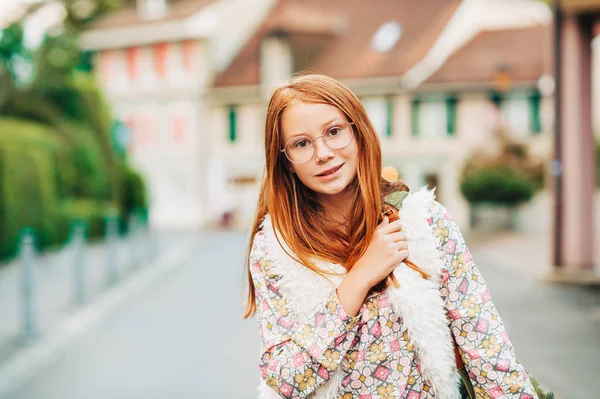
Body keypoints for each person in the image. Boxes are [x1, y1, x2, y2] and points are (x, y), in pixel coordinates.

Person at [243, 74, 538, 399]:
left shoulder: (423, 222)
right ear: (285, 162)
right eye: (301, 143)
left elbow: (486, 347)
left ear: (359, 133)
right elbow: (284, 380)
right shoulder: (276, 250)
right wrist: (359, 278)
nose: (323, 153)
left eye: (334, 132)